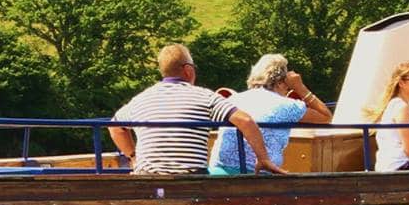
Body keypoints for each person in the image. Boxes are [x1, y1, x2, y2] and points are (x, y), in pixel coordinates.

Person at [110, 44, 282, 176]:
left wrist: (133, 157)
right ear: (188, 70)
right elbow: (244, 120)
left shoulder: (141, 99)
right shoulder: (204, 97)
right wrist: (264, 159)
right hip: (191, 180)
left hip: (148, 180)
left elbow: (115, 127)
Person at [208, 53, 334, 175]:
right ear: (280, 82)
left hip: (218, 171)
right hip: (258, 174)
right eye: (287, 85)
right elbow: (326, 116)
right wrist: (300, 87)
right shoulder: (288, 106)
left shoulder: (232, 100)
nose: (288, 90)